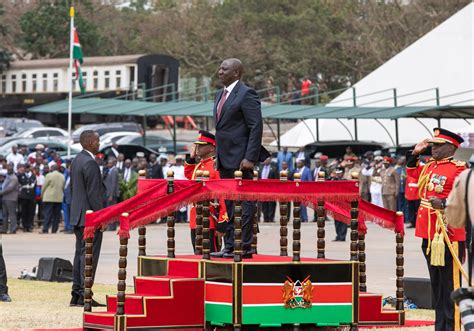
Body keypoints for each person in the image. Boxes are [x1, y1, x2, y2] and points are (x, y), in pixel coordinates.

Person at [406, 128, 467, 331]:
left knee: (451, 285)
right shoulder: (429, 166)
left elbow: (465, 196)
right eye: (432, 144)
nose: (433, 148)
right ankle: (440, 326)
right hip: (430, 234)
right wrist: (415, 153)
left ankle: (453, 327)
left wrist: (444, 202)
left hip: (448, 233)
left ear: (451, 147)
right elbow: (413, 176)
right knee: (437, 285)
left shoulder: (459, 168)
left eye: (438, 145)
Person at [211, 58, 263, 259]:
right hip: (225, 158)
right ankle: (230, 245)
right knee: (230, 204)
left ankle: (244, 246)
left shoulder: (246, 93)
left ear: (236, 72)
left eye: (224, 68)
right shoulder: (219, 94)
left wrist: (250, 157)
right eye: (220, 67)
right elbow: (222, 129)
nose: (220, 71)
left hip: (242, 160)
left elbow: (255, 126)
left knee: (245, 204)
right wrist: (218, 155)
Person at [70, 130, 105, 307]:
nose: (99, 143)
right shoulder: (90, 162)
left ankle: (76, 294)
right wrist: (101, 217)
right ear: (90, 142)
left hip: (78, 215)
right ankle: (85, 294)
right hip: (90, 218)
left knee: (79, 254)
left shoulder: (77, 160)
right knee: (89, 255)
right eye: (98, 140)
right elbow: (94, 194)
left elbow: (74, 190)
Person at [184, 131, 227, 252]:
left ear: (212, 148)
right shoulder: (199, 165)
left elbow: (223, 194)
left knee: (210, 255)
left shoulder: (216, 166)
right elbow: (189, 175)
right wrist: (191, 159)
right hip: (195, 217)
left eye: (202, 145)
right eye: (197, 144)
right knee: (197, 252)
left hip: (210, 218)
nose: (197, 147)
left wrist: (222, 220)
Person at [41, 164, 65, 234]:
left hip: (49, 198)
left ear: (52, 168)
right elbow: (63, 187)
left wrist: (42, 195)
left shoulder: (49, 175)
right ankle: (54, 229)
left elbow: (44, 186)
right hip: (59, 198)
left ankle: (45, 229)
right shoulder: (62, 176)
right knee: (56, 215)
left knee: (48, 214)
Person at [17, 163, 36, 232]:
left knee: (30, 212)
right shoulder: (20, 175)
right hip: (24, 196)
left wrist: (26, 186)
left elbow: (33, 185)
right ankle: (25, 226)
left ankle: (29, 225)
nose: (27, 169)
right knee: (24, 211)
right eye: (26, 168)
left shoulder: (33, 176)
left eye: (28, 168)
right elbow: (20, 184)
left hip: (31, 196)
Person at [258, 157, 278, 222]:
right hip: (262, 189)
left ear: (270, 160)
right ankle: (265, 217)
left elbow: (276, 179)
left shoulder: (274, 169)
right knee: (264, 204)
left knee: (271, 204)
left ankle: (271, 218)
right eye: (265, 160)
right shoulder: (260, 168)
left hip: (271, 189)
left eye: (267, 160)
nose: (265, 161)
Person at [0, 164, 18, 234]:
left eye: (10, 170)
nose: (8, 171)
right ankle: (4, 229)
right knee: (5, 215)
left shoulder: (14, 178)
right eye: (8, 169)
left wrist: (1, 193)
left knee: (12, 214)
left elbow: (10, 188)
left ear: (12, 170)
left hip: (11, 198)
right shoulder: (8, 177)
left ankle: (13, 229)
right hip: (5, 198)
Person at [294, 157, 313, 222]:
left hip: (304, 190)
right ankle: (300, 217)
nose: (298, 164)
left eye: (299, 163)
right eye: (297, 163)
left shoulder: (307, 170)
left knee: (303, 205)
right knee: (298, 205)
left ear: (303, 163)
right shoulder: (296, 171)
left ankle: (305, 218)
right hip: (297, 190)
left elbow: (310, 181)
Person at [103, 158, 120, 231]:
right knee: (109, 210)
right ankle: (111, 225)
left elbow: (113, 184)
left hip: (111, 194)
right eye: (108, 163)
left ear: (113, 163)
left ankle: (112, 226)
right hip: (108, 193)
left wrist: (111, 195)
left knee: (112, 210)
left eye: (110, 163)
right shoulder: (109, 171)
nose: (108, 164)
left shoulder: (114, 171)